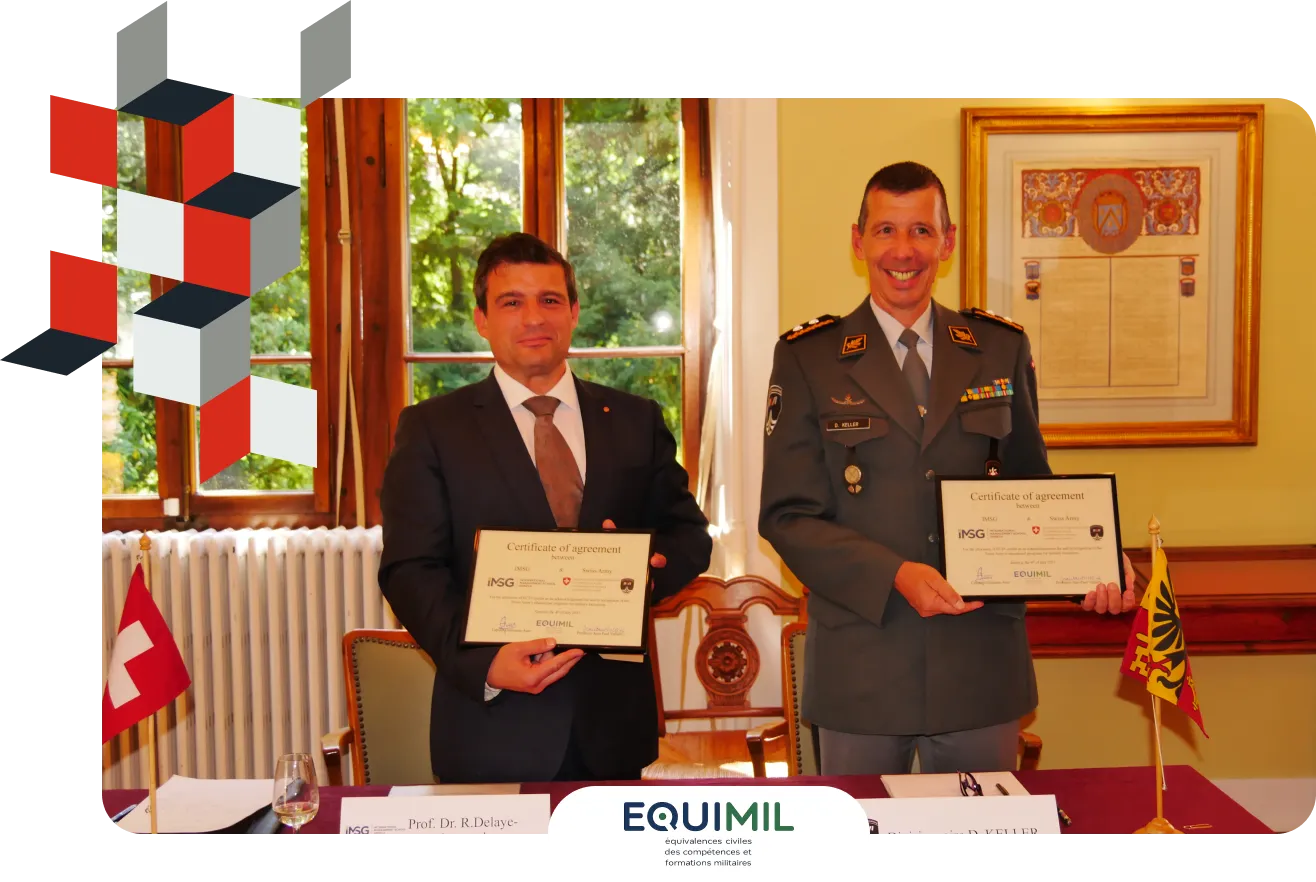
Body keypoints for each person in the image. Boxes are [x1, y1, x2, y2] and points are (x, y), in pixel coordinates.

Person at [757, 161, 1139, 777]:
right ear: (858, 242)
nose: (903, 251)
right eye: (885, 230)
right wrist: (896, 574)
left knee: (981, 823)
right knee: (857, 832)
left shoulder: (999, 348)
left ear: (947, 241)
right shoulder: (810, 358)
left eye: (921, 231)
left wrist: (1090, 561)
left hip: (978, 665)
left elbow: (1029, 486)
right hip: (862, 664)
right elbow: (788, 516)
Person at [378, 232, 712, 784]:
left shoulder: (635, 419)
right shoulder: (433, 429)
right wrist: (485, 665)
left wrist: (647, 572)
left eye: (550, 300)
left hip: (611, 728)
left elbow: (689, 536)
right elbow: (410, 569)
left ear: (574, 312)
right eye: (512, 302)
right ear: (482, 320)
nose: (534, 317)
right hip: (491, 725)